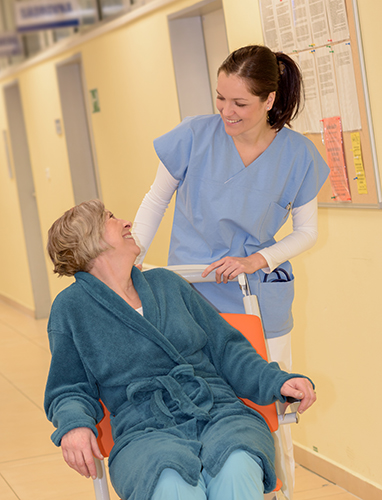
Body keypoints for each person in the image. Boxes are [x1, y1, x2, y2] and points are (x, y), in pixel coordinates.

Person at [133, 45, 329, 498]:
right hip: (190, 294)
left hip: (257, 294)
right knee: (202, 403)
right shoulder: (194, 136)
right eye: (220, 98)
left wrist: (257, 259)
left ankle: (278, 490)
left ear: (270, 100)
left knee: (271, 408)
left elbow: (307, 233)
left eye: (239, 103)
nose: (226, 111)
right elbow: (154, 201)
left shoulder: (298, 155)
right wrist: (136, 253)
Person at [44, 199, 316, 500]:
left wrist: (276, 381)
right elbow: (67, 387)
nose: (126, 222)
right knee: (172, 483)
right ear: (89, 242)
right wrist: (73, 424)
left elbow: (227, 349)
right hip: (143, 431)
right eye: (110, 218)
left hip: (218, 410)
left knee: (238, 465)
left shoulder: (166, 283)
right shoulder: (71, 309)